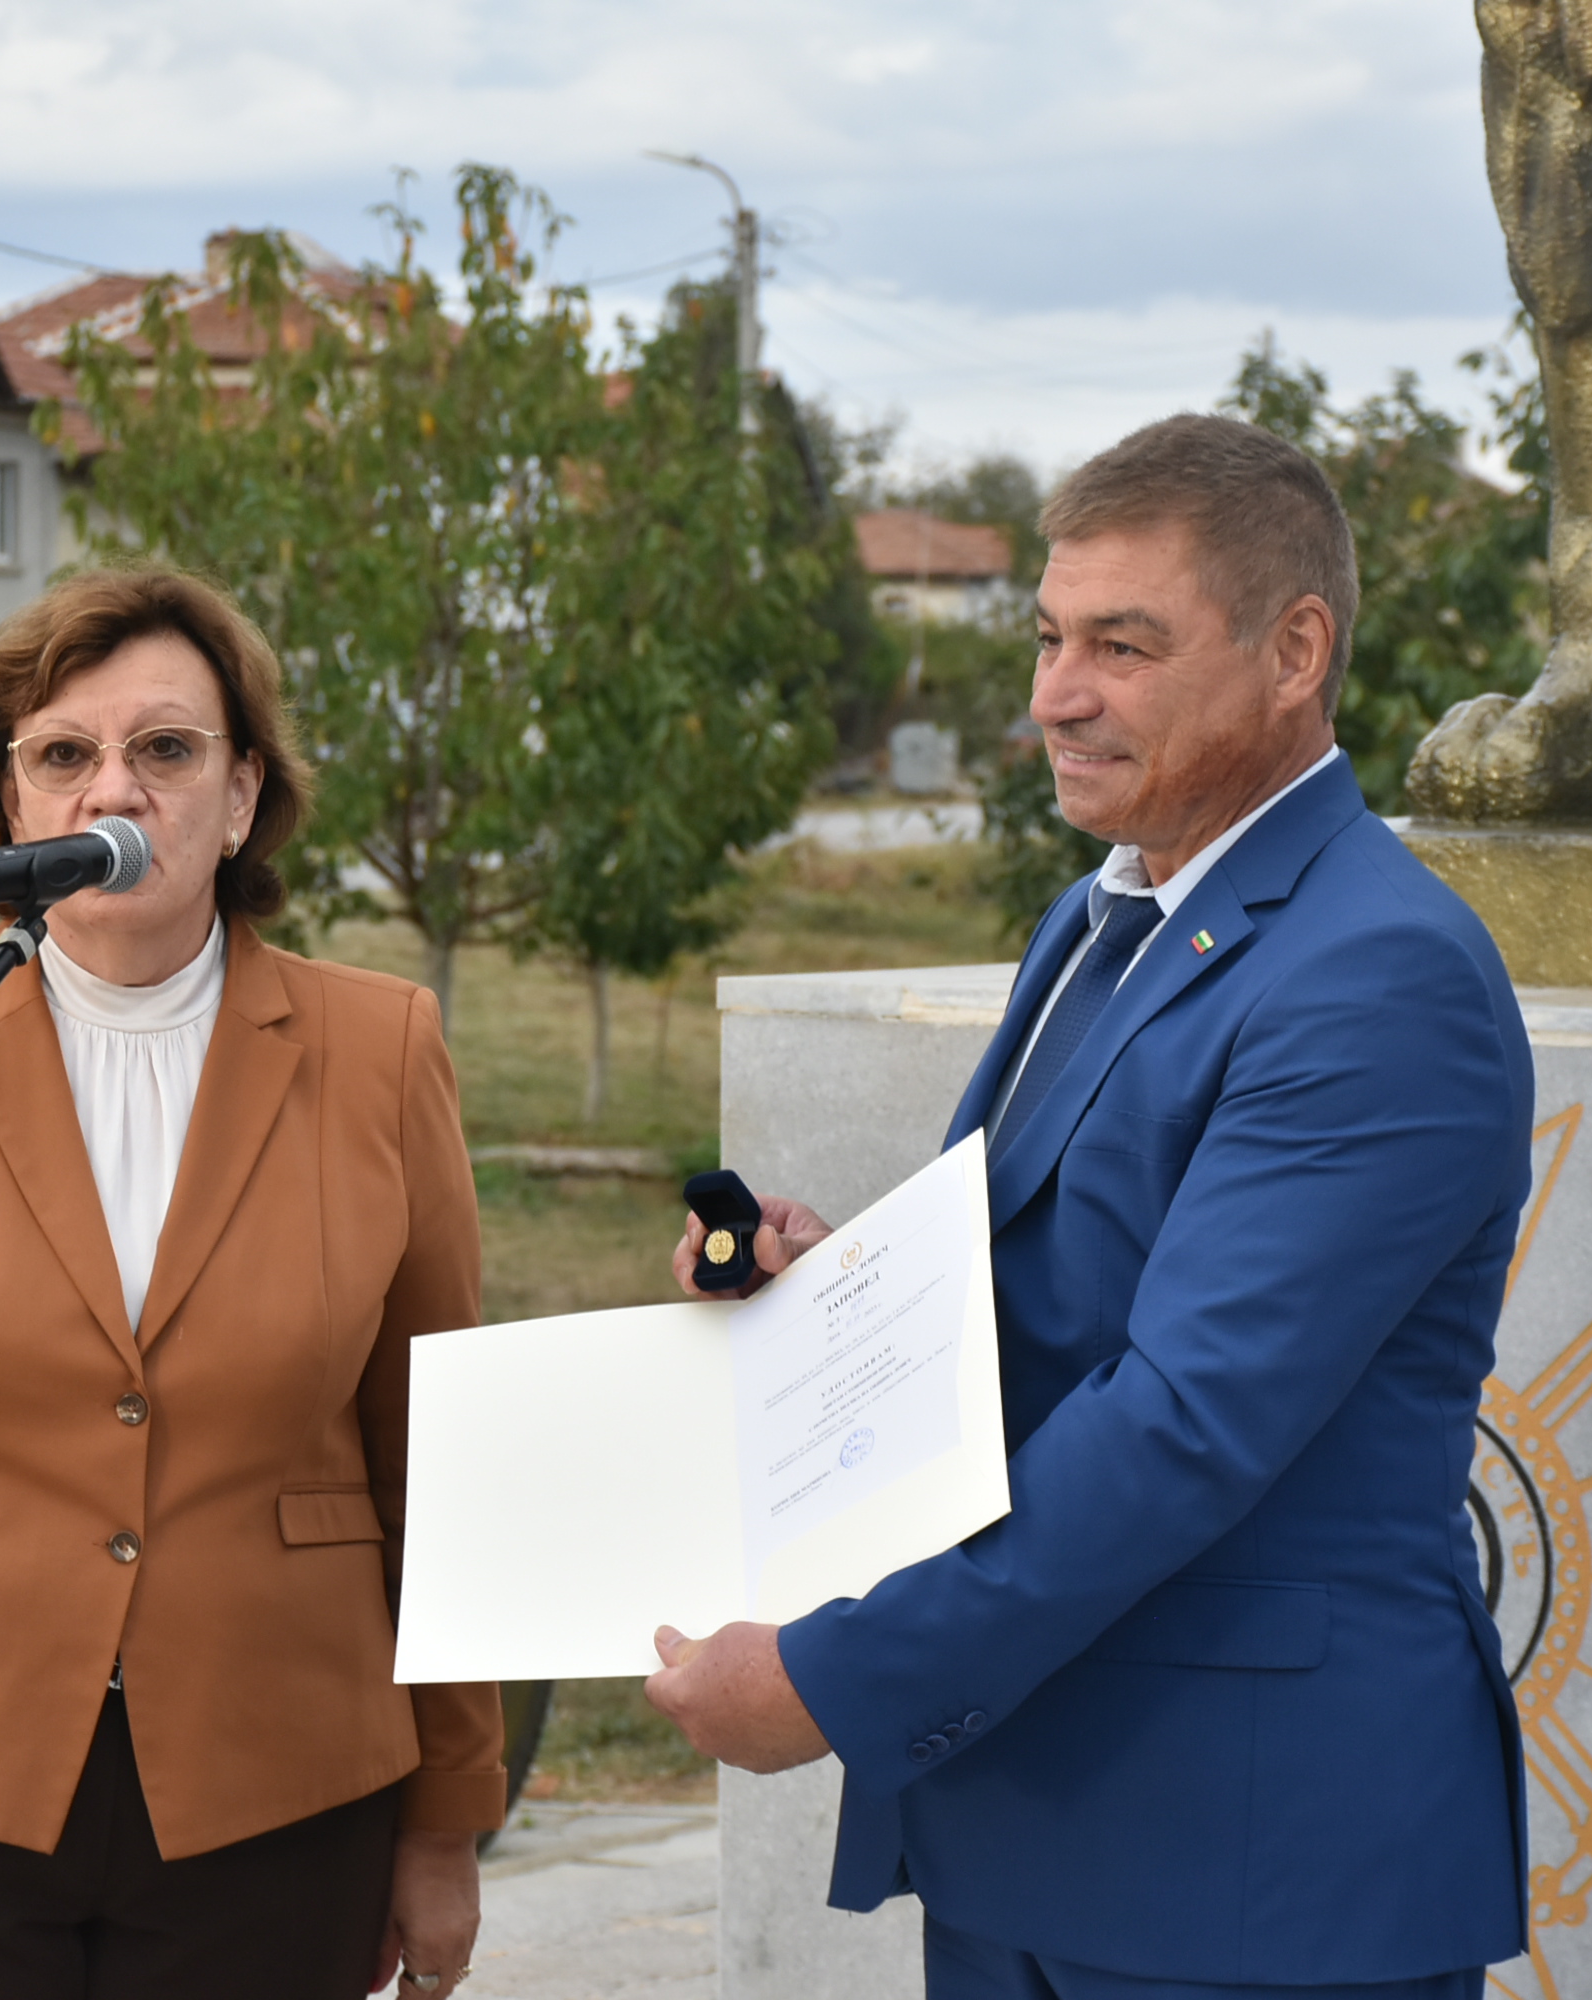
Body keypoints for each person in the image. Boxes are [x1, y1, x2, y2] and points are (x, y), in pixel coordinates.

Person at [648, 414, 1534, 2000]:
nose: (1056, 694)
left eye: (1123, 646)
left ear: (1295, 653)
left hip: (1251, 1870)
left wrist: (837, 1676)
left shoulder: (1377, 971)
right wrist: (833, 1294)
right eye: (1050, 639)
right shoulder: (1102, 913)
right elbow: (1070, 1293)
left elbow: (1185, 1424)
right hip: (1037, 1822)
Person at [0, 565, 505, 2000]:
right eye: (63, 754)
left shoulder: (382, 1051)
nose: (113, 790)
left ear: (241, 798)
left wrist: (446, 1819)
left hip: (277, 1791)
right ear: (9, 809)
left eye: (166, 749)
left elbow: (436, 1470)